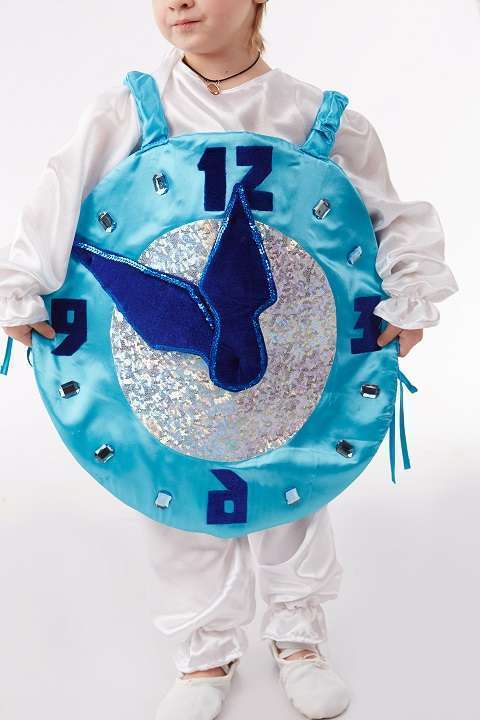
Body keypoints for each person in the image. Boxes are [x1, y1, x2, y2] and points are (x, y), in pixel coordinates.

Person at [0, 1, 459, 718]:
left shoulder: (315, 118)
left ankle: (298, 640)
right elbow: (55, 202)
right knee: (179, 500)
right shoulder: (126, 112)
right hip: (164, 377)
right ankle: (205, 653)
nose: (179, 2)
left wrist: (411, 292)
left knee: (292, 488)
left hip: (293, 360)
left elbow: (391, 219)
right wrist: (23, 285)